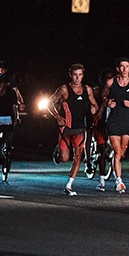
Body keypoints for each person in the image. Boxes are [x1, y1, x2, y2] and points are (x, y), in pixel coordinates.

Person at [46, 63, 98, 196]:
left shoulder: (88, 90)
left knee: (78, 157)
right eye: (75, 75)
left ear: (83, 75)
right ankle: (58, 149)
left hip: (80, 128)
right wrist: (57, 116)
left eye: (80, 75)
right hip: (66, 128)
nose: (77, 78)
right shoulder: (64, 89)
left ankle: (69, 185)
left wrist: (94, 109)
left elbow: (95, 105)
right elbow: (49, 103)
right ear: (70, 75)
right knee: (64, 158)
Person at [99, 57, 129, 194]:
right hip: (114, 121)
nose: (124, 69)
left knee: (122, 153)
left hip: (128, 122)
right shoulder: (111, 82)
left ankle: (112, 153)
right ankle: (118, 181)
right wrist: (107, 101)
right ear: (118, 69)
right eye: (122, 66)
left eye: (127, 66)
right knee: (118, 152)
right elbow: (103, 95)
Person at [87, 68, 115, 191]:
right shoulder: (96, 91)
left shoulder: (114, 90)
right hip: (98, 122)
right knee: (101, 150)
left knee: (109, 149)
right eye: (106, 78)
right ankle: (88, 159)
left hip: (110, 123)